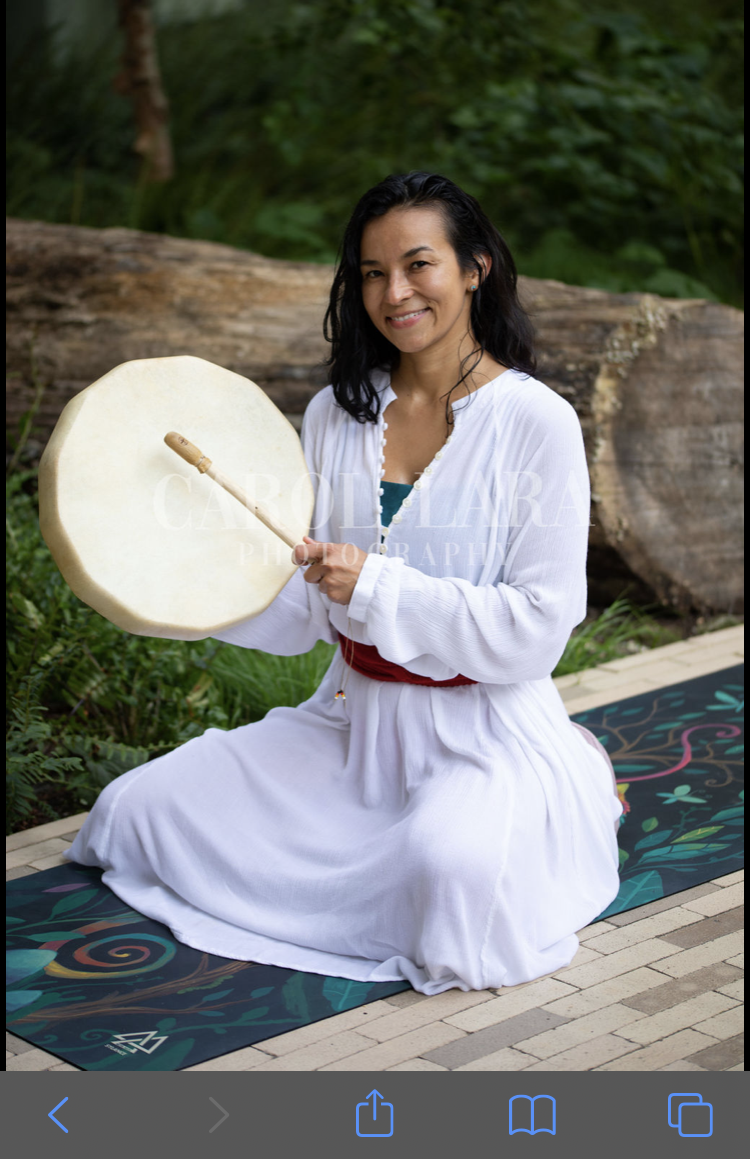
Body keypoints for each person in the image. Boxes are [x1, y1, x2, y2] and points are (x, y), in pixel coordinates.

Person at [67, 171, 621, 994]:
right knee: (135, 813)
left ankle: (562, 783)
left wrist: (381, 586)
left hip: (482, 735)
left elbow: (539, 628)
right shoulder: (337, 413)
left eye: (418, 264)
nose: (393, 292)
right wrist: (171, 583)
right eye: (371, 272)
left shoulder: (535, 422)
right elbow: (305, 613)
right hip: (350, 726)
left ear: (476, 268)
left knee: (451, 887)